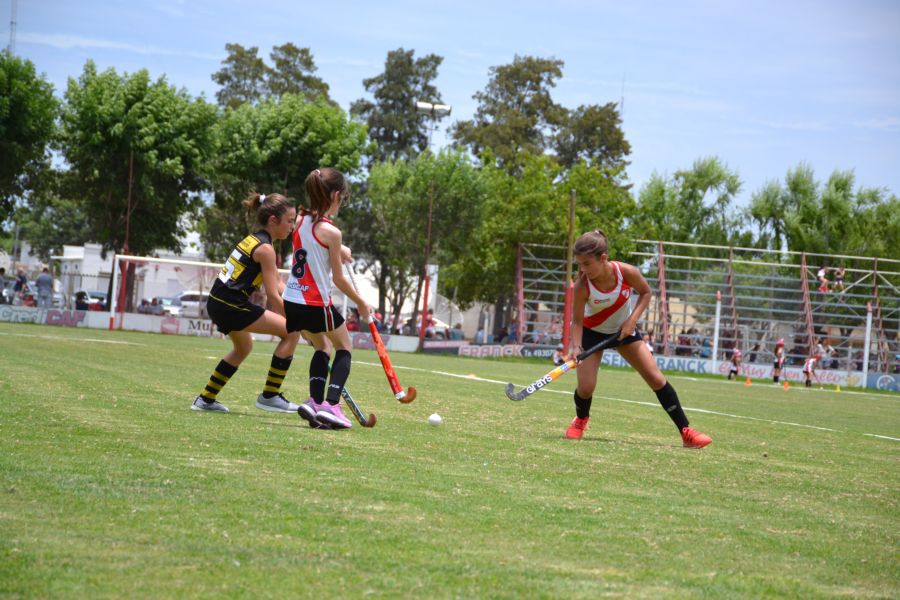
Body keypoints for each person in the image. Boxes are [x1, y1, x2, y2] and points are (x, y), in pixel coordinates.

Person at [564, 229, 712, 448]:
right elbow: (576, 321)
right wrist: (575, 346)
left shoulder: (627, 272)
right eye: (580, 264)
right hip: (592, 333)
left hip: (624, 330)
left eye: (587, 264)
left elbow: (646, 292)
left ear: (603, 258)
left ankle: (686, 432)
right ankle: (581, 419)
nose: (583, 269)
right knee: (586, 387)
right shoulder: (583, 286)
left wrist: (632, 320)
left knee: (655, 378)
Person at [273, 167, 370, 430]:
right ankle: (331, 406)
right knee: (344, 346)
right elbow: (338, 280)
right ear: (336, 195)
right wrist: (360, 302)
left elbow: (314, 246)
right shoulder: (333, 233)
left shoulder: (301, 219)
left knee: (322, 347)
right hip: (315, 303)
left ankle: (315, 403)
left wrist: (340, 250)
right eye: (343, 197)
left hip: (292, 301)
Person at [191, 192, 300, 414]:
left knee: (244, 347)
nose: (292, 227)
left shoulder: (255, 239)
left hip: (217, 302)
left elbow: (278, 283)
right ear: (273, 220)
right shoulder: (266, 249)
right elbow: (272, 296)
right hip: (231, 305)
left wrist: (299, 306)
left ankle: (205, 399)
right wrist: (296, 321)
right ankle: (270, 397)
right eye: (289, 221)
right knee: (291, 333)